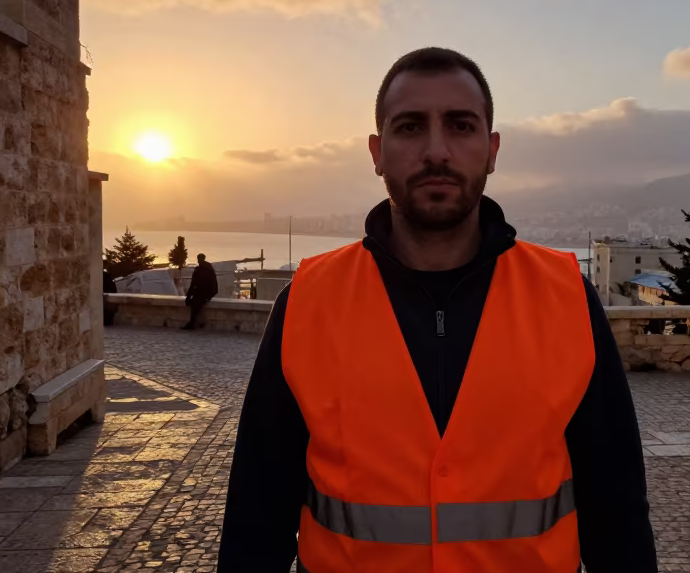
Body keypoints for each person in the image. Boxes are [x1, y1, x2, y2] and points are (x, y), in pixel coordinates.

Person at [219, 48, 656, 572]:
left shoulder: (565, 297)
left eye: (460, 125)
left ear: (492, 149)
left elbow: (617, 509)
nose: (437, 150)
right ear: (377, 152)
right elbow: (257, 513)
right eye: (409, 128)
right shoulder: (309, 300)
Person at [181, 253, 218, 330]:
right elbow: (213, 282)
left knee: (195, 306)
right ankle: (192, 323)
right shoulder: (209, 269)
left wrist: (188, 295)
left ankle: (192, 324)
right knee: (194, 306)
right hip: (203, 293)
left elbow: (193, 283)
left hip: (201, 293)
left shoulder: (201, 270)